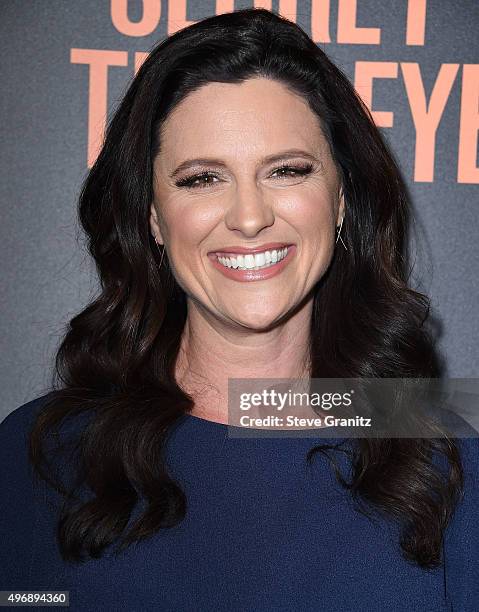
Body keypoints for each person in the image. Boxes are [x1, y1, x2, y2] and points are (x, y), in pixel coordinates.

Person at [1, 7, 478, 611]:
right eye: (201, 179)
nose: (249, 217)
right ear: (152, 216)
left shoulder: (446, 463)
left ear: (340, 198)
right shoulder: (38, 456)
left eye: (287, 170)